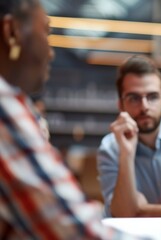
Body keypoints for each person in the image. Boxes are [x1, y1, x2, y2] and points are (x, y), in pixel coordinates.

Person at [0, 0, 139, 238]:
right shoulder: (5, 106)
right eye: (46, 31)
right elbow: (77, 231)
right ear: (12, 32)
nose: (51, 52)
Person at [97, 55, 161, 226]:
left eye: (152, 97)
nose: (144, 106)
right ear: (121, 105)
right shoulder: (111, 147)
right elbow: (125, 215)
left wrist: (142, 211)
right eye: (134, 98)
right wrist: (126, 153)